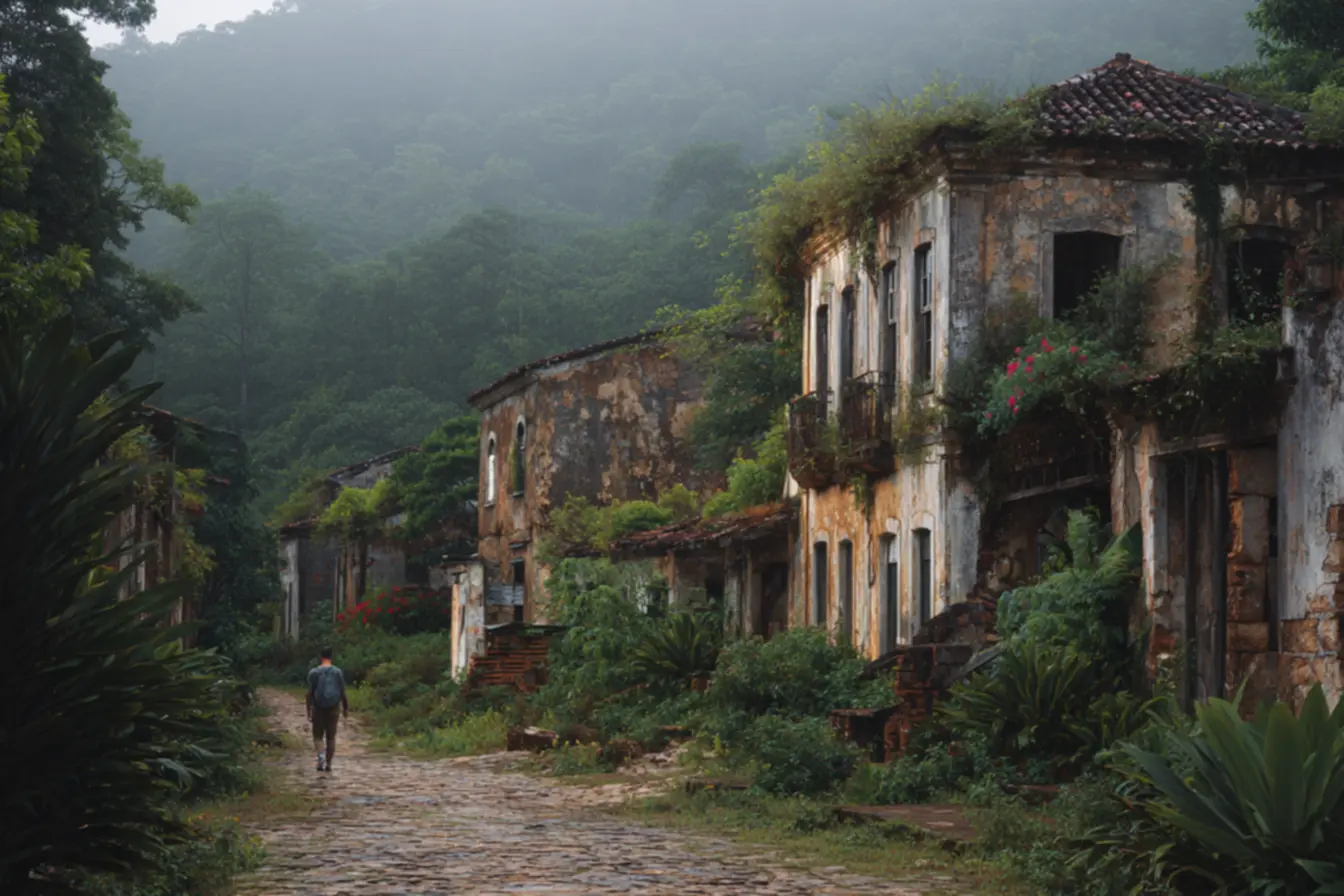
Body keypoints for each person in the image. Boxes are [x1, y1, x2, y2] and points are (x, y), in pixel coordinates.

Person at [306, 647, 349, 772]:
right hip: (333, 707)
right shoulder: (337, 672)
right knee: (331, 737)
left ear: (321, 657)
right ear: (331, 657)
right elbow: (342, 691)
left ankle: (320, 756)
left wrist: (309, 710)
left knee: (318, 736)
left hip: (318, 707)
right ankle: (329, 764)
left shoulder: (314, 672)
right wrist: (345, 708)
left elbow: (310, 693)